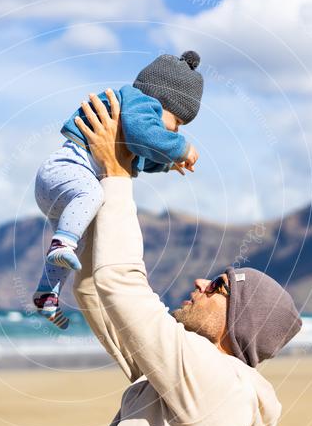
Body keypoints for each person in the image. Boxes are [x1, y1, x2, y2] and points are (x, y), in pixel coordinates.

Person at [68, 89, 303, 426]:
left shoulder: (216, 382)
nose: (200, 282)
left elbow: (120, 285)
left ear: (240, 323)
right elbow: (93, 289)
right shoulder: (177, 377)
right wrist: (99, 180)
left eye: (218, 287)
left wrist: (117, 176)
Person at [33, 51, 203, 329]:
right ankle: (62, 243)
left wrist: (167, 165)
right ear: (163, 102)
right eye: (179, 123)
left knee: (81, 242)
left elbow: (140, 155)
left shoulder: (134, 119)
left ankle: (46, 295)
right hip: (65, 170)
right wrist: (182, 147)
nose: (175, 131)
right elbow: (144, 135)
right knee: (92, 197)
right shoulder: (139, 102)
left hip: (63, 186)